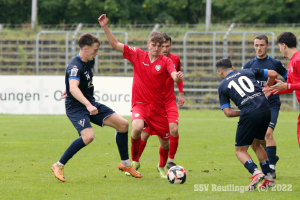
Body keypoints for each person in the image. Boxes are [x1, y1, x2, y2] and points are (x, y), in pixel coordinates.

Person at [98, 14, 184, 179]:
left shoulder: (165, 61)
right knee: (137, 127)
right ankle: (132, 162)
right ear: (148, 44)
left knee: (165, 142)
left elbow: (174, 75)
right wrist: (105, 27)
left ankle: (161, 166)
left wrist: (177, 78)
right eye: (154, 45)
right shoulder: (138, 55)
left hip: (159, 108)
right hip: (140, 104)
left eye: (160, 46)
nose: (157, 48)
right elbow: (115, 44)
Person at [51, 33, 142, 182]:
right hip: (77, 107)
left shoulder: (89, 61)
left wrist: (70, 88)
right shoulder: (75, 65)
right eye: (95, 49)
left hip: (90, 103)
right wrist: (82, 100)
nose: (97, 52)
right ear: (85, 49)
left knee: (123, 125)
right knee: (88, 136)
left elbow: (75, 84)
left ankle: (125, 164)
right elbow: (74, 87)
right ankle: (58, 165)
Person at [217, 58, 277, 190]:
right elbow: (273, 74)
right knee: (256, 144)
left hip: (250, 113)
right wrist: (267, 87)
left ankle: (256, 173)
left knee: (240, 150)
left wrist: (244, 111)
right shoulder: (247, 70)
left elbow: (228, 112)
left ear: (220, 71)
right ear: (232, 68)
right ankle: (269, 179)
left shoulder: (222, 86)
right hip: (266, 109)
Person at [243, 34, 288, 179]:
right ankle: (272, 157)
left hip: (272, 104)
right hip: (257, 107)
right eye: (256, 45)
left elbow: (289, 77)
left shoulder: (275, 63)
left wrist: (285, 85)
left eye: (262, 45)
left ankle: (271, 169)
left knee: (268, 134)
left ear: (267, 46)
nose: (259, 48)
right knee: (258, 140)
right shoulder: (248, 65)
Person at [137, 33, 185, 170]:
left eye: (166, 46)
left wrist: (181, 93)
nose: (164, 49)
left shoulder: (174, 59)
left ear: (170, 46)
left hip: (168, 101)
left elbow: (178, 75)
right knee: (144, 134)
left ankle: (170, 161)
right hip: (152, 102)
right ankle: (135, 163)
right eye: (161, 46)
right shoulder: (150, 59)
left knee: (173, 130)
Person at [264, 31, 300, 148]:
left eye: (279, 47)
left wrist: (287, 86)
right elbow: (289, 87)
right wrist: (273, 90)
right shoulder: (291, 62)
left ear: (284, 45)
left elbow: (289, 86)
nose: (279, 50)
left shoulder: (298, 60)